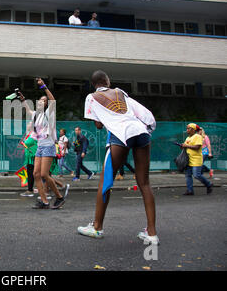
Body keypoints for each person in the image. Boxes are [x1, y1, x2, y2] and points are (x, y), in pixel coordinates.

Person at [77, 70, 159, 245]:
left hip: (120, 135)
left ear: (94, 84)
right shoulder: (121, 92)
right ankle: (151, 234)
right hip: (140, 131)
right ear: (107, 81)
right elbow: (146, 116)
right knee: (144, 183)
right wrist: (147, 130)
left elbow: (98, 125)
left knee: (105, 181)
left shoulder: (91, 97)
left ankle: (97, 227)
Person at [18, 78, 66, 210]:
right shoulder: (36, 115)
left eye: (44, 100)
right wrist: (22, 99)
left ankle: (60, 197)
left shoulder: (49, 113)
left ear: (46, 104)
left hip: (48, 145)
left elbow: (53, 101)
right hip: (39, 147)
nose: (42, 101)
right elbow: (28, 110)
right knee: (35, 174)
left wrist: (44, 86)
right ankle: (44, 201)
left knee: (45, 174)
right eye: (41, 99)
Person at [181, 123, 213, 196]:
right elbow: (187, 146)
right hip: (188, 159)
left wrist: (187, 145)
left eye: (188, 128)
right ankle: (190, 190)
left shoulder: (198, 136)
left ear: (193, 129)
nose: (187, 130)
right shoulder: (188, 138)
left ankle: (209, 184)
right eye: (187, 128)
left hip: (196, 159)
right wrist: (183, 146)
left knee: (196, 175)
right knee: (188, 175)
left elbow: (197, 147)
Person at [20, 129, 37, 197]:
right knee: (32, 173)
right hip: (30, 157)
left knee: (32, 173)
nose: (27, 126)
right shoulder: (30, 134)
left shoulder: (33, 134)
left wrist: (24, 143)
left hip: (32, 157)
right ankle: (31, 189)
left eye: (29, 124)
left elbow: (27, 143)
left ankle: (30, 190)